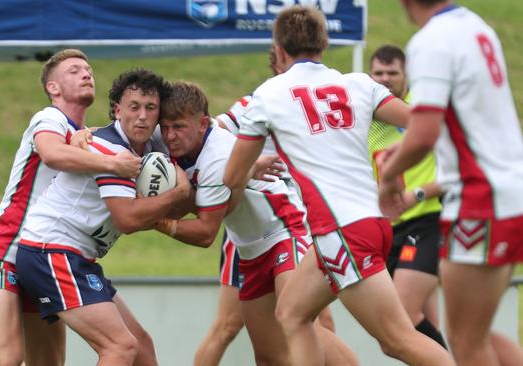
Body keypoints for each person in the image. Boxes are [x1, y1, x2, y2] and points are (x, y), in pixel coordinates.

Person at [223, 5, 455, 366]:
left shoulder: (268, 94)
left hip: (342, 232)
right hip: (372, 224)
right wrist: (394, 169)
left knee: (397, 340)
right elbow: (420, 121)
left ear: (279, 51)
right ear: (323, 46)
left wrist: (253, 169)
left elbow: (231, 178)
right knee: (292, 313)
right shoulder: (359, 83)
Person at [157, 81, 357, 366]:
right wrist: (83, 138)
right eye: (165, 127)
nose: (170, 136)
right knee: (267, 355)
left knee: (296, 319)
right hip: (249, 248)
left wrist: (154, 218)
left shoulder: (217, 156)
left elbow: (205, 233)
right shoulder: (167, 139)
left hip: (286, 230)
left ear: (202, 124)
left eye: (178, 127)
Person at [0, 49, 141, 366]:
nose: (87, 73)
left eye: (88, 69)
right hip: (3, 253)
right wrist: (114, 164)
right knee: (7, 359)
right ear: (53, 88)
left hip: (42, 257)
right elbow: (51, 153)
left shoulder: (92, 138)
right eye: (74, 70)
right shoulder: (49, 118)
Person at [14, 69, 191, 366]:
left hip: (75, 257)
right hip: (50, 250)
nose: (143, 116)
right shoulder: (110, 148)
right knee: (120, 347)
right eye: (133, 107)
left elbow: (207, 128)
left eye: (151, 108)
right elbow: (127, 220)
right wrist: (178, 192)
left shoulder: (151, 143)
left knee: (142, 350)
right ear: (118, 110)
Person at [379, 1, 523, 365]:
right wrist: (407, 144)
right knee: (477, 333)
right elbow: (456, 118)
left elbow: (425, 134)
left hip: (479, 198)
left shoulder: (431, 41)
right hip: (506, 191)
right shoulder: (475, 26)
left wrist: (388, 176)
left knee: (464, 342)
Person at [368, 44, 446, 347]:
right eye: (379, 73)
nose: (385, 78)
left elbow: (458, 171)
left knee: (402, 311)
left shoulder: (423, 111)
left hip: (426, 222)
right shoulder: (367, 116)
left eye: (392, 73)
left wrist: (418, 194)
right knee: (417, 325)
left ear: (406, 75)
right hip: (387, 229)